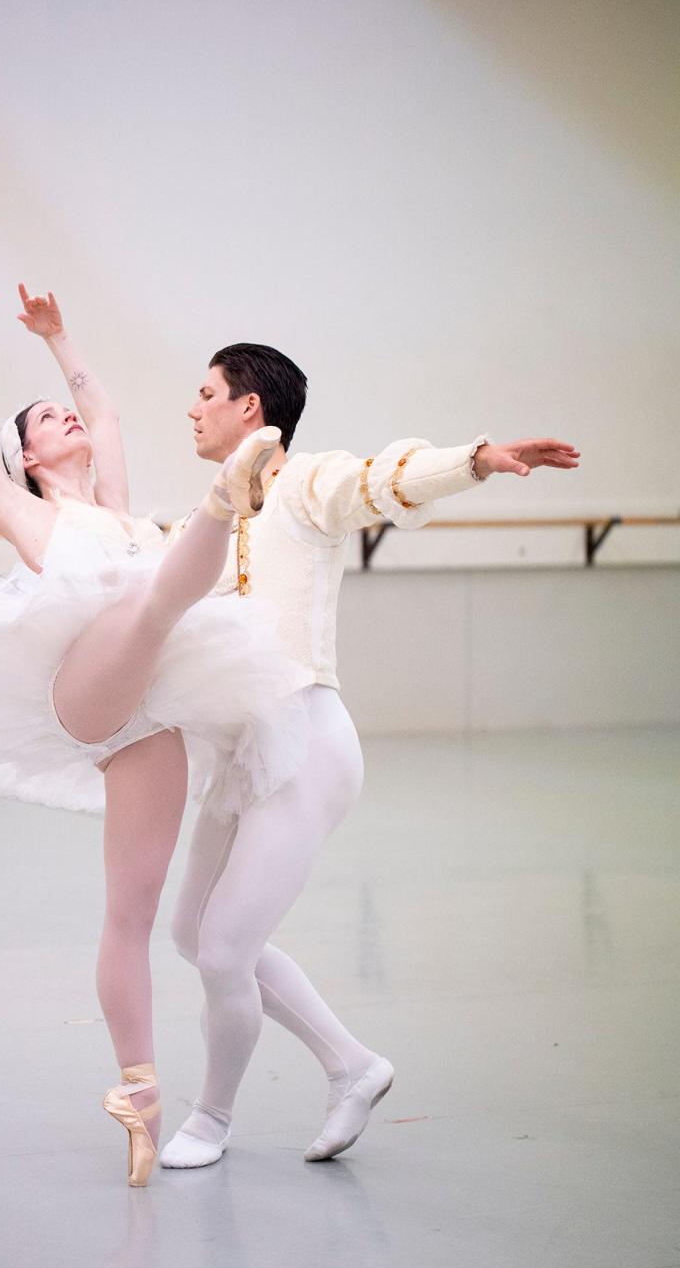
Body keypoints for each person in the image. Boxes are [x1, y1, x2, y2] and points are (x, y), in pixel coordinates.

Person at [0, 273, 311, 1187]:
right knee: (156, 597)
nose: (65, 420)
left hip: (145, 713)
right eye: (44, 418)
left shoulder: (111, 505)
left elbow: (103, 412)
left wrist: (58, 341)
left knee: (133, 915)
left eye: (61, 412)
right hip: (85, 689)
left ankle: (139, 1092)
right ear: (26, 456)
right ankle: (224, 503)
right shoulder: (31, 511)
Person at [158, 343, 580, 1168]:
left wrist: (478, 460)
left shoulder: (308, 484)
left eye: (206, 393)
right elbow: (137, 578)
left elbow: (385, 478)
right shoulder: (206, 519)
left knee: (222, 952)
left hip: (307, 745)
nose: (192, 408)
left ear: (250, 408)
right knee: (190, 936)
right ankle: (354, 1066)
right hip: (243, 753)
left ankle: (210, 1119)